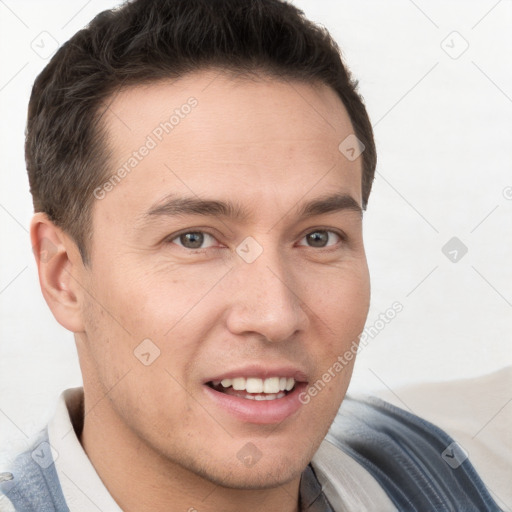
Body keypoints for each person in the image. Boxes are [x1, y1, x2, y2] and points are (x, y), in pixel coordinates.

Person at [0, 0, 503, 510]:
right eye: (194, 239)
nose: (275, 315)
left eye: (318, 237)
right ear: (63, 275)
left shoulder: (462, 467)